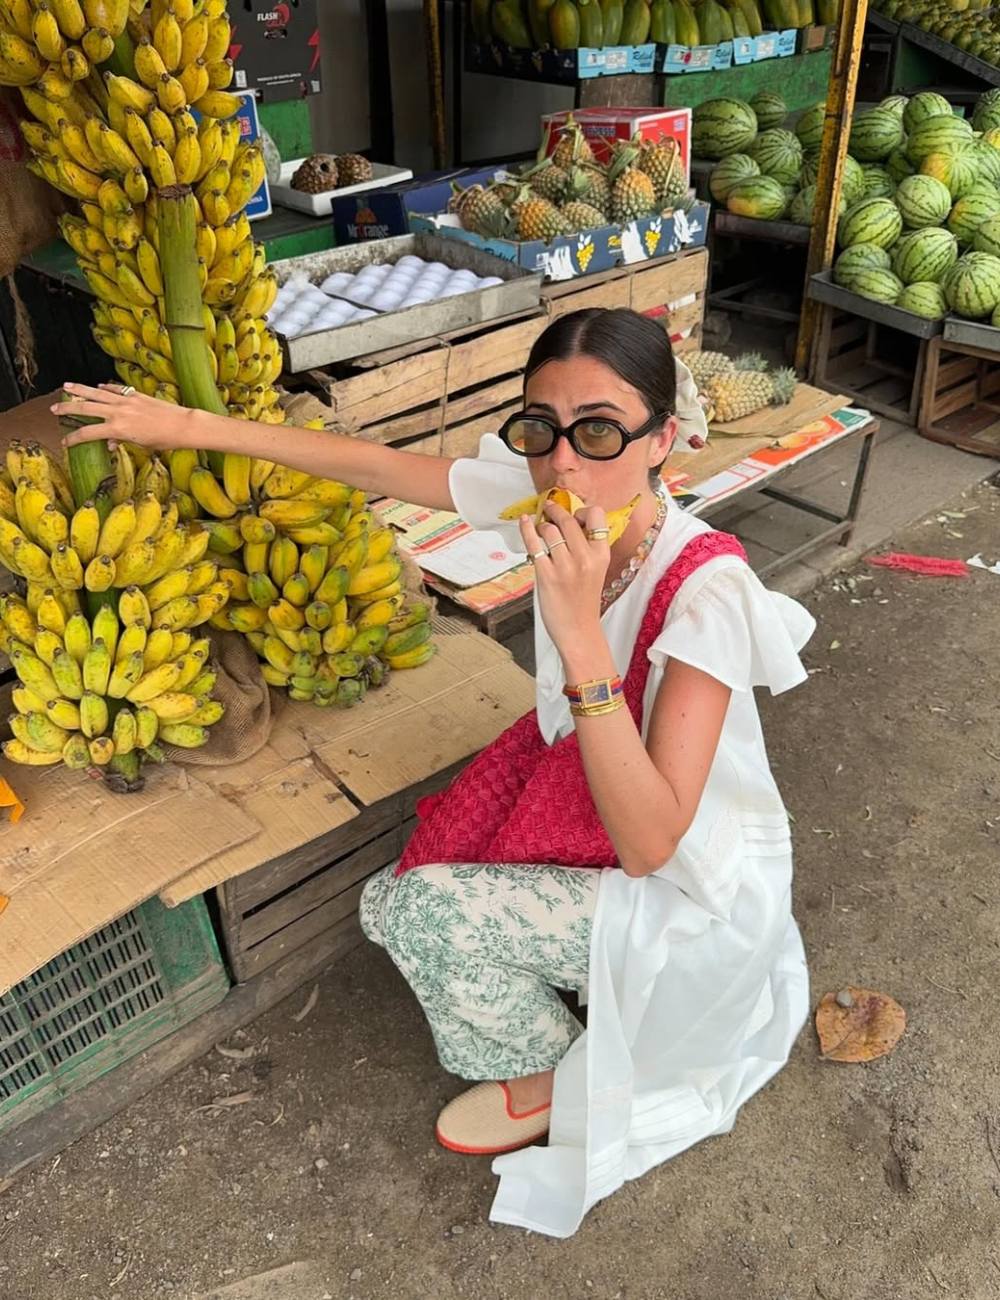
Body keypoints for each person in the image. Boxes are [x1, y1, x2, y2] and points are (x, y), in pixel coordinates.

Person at [60, 307, 813, 1239]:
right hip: (588, 782)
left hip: (686, 890)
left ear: (663, 439)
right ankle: (569, 1006)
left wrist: (579, 631)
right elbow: (378, 468)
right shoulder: (548, 499)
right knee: (410, 881)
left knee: (410, 910)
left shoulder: (706, 594)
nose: (565, 464)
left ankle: (551, 1072)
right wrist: (188, 427)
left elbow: (656, 842)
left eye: (602, 430)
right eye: (542, 429)